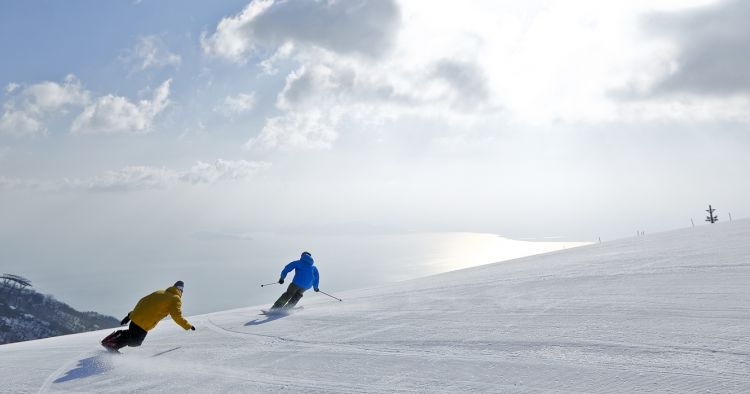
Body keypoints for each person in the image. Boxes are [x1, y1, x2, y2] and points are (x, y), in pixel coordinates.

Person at [101, 280, 195, 352]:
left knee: (133, 338)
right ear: (181, 290)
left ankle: (113, 344)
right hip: (144, 322)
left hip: (137, 318)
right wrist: (187, 326)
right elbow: (177, 316)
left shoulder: (160, 292)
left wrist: (130, 315)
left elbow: (144, 302)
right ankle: (112, 343)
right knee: (135, 341)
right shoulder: (175, 299)